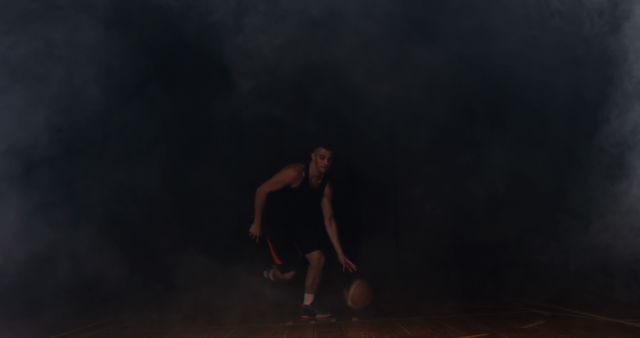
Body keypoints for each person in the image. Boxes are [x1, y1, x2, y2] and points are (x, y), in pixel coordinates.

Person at [249, 144, 357, 320]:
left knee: (318, 258)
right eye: (322, 157)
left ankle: (307, 307)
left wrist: (340, 253)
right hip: (279, 224)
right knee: (288, 274)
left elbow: (329, 219)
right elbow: (261, 190)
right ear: (313, 157)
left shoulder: (325, 186)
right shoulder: (295, 172)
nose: (325, 162)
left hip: (300, 225)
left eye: (329, 159)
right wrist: (257, 222)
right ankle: (269, 274)